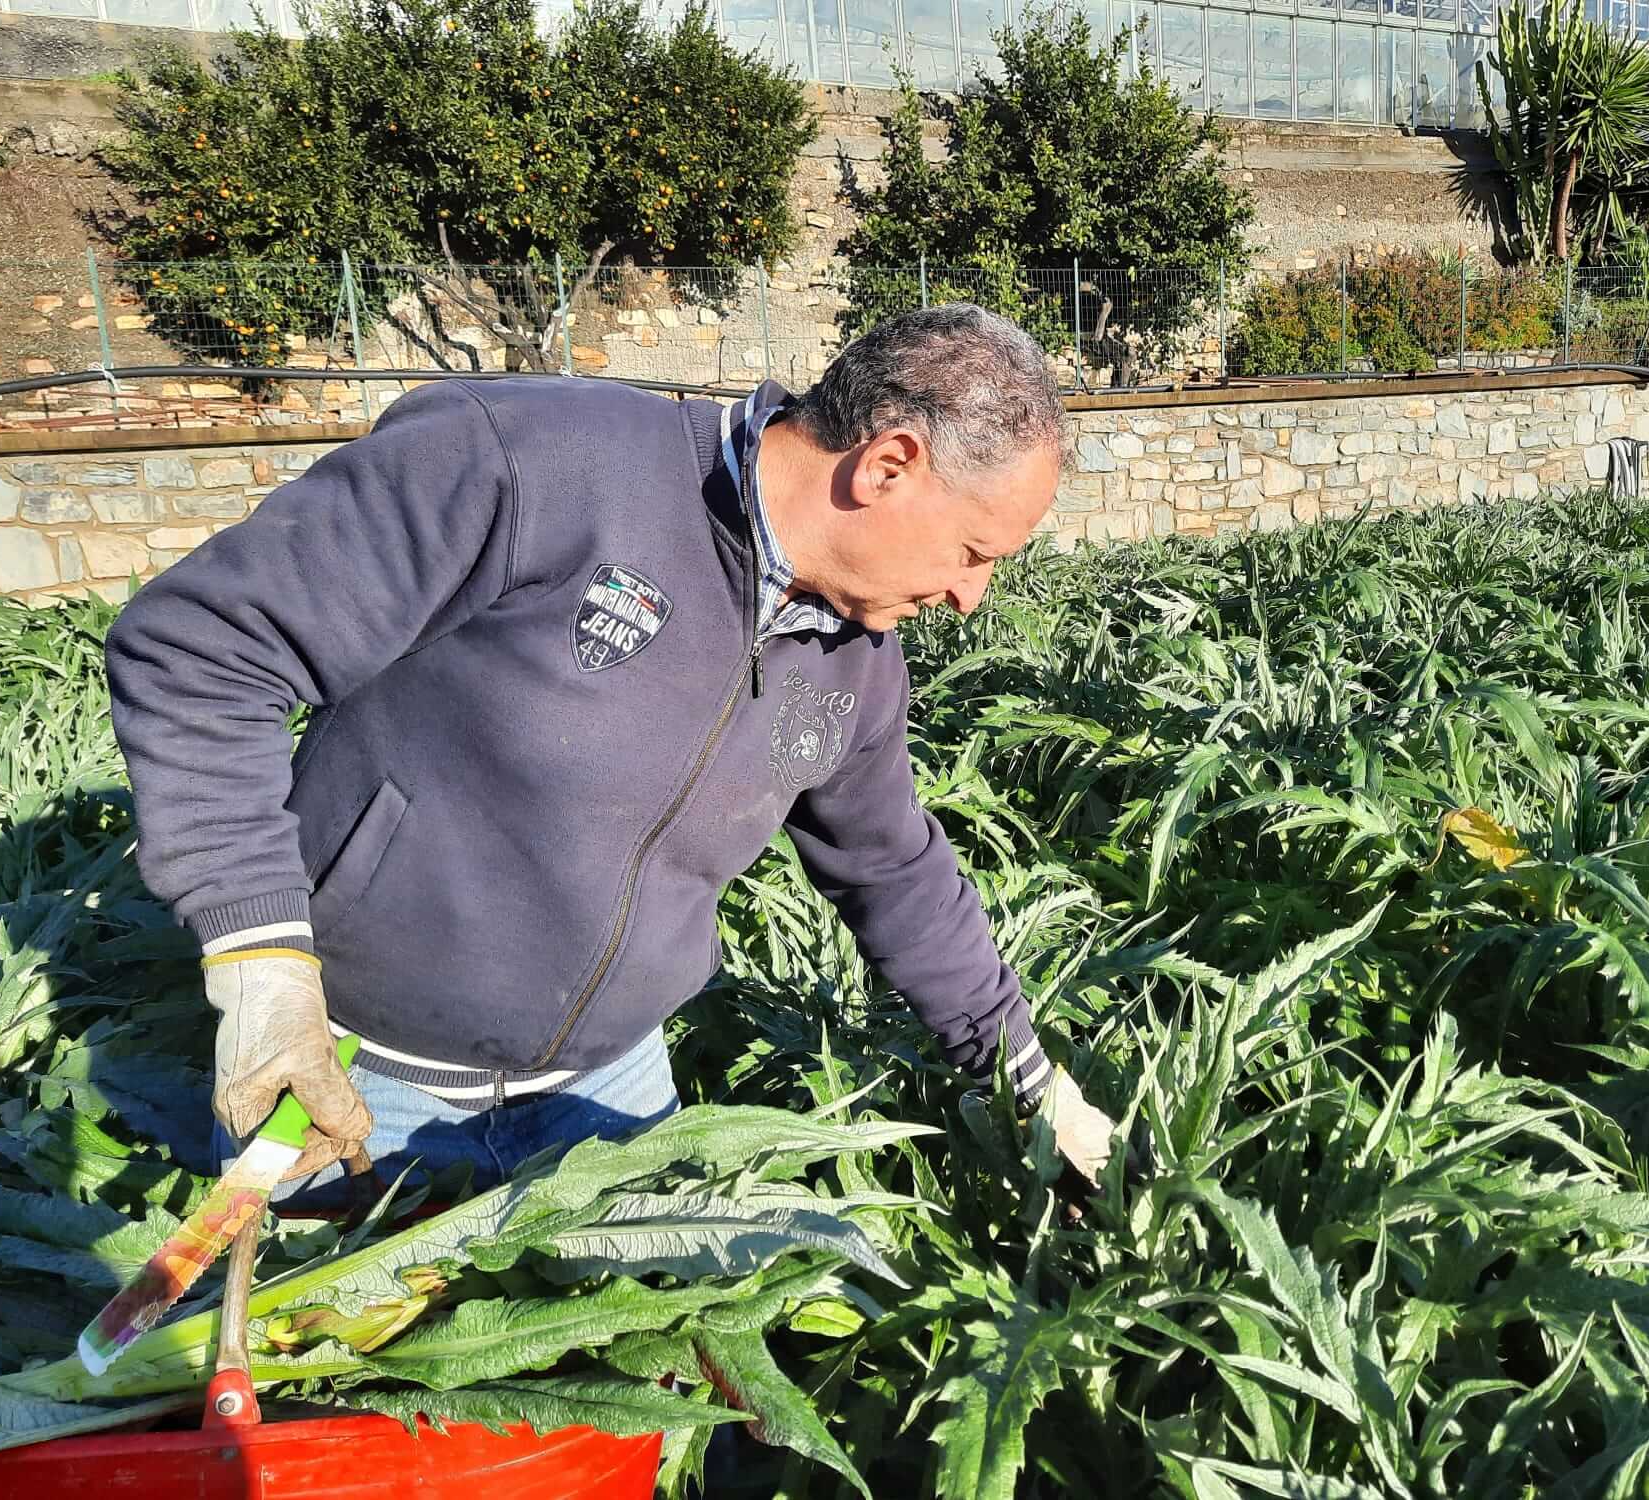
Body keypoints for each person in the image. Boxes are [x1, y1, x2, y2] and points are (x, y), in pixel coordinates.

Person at [105, 303, 1120, 1200]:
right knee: (318, 1393)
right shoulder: (534, 464)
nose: (968, 596)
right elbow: (203, 647)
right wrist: (261, 964)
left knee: (637, 1407)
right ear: (885, 465)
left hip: (611, 1091)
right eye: (973, 552)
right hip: (344, 1075)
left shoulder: (858, 659)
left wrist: (1027, 1079)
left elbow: (891, 867)